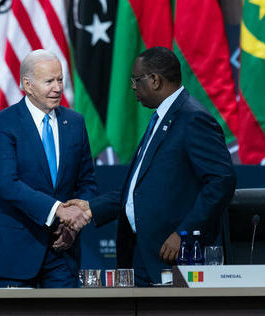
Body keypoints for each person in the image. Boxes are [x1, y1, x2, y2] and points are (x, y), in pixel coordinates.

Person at [66, 46, 236, 286]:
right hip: (142, 254)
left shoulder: (192, 118)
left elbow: (222, 181)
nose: (133, 86)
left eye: (136, 80)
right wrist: (92, 207)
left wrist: (184, 234)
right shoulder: (161, 118)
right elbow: (142, 188)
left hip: (175, 257)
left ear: (155, 80)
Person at [0, 49, 97, 288]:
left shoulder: (75, 122)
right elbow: (7, 184)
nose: (57, 87)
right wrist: (57, 210)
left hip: (63, 251)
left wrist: (73, 225)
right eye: (49, 81)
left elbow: (87, 182)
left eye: (60, 80)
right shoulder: (4, 123)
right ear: (28, 85)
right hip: (16, 252)